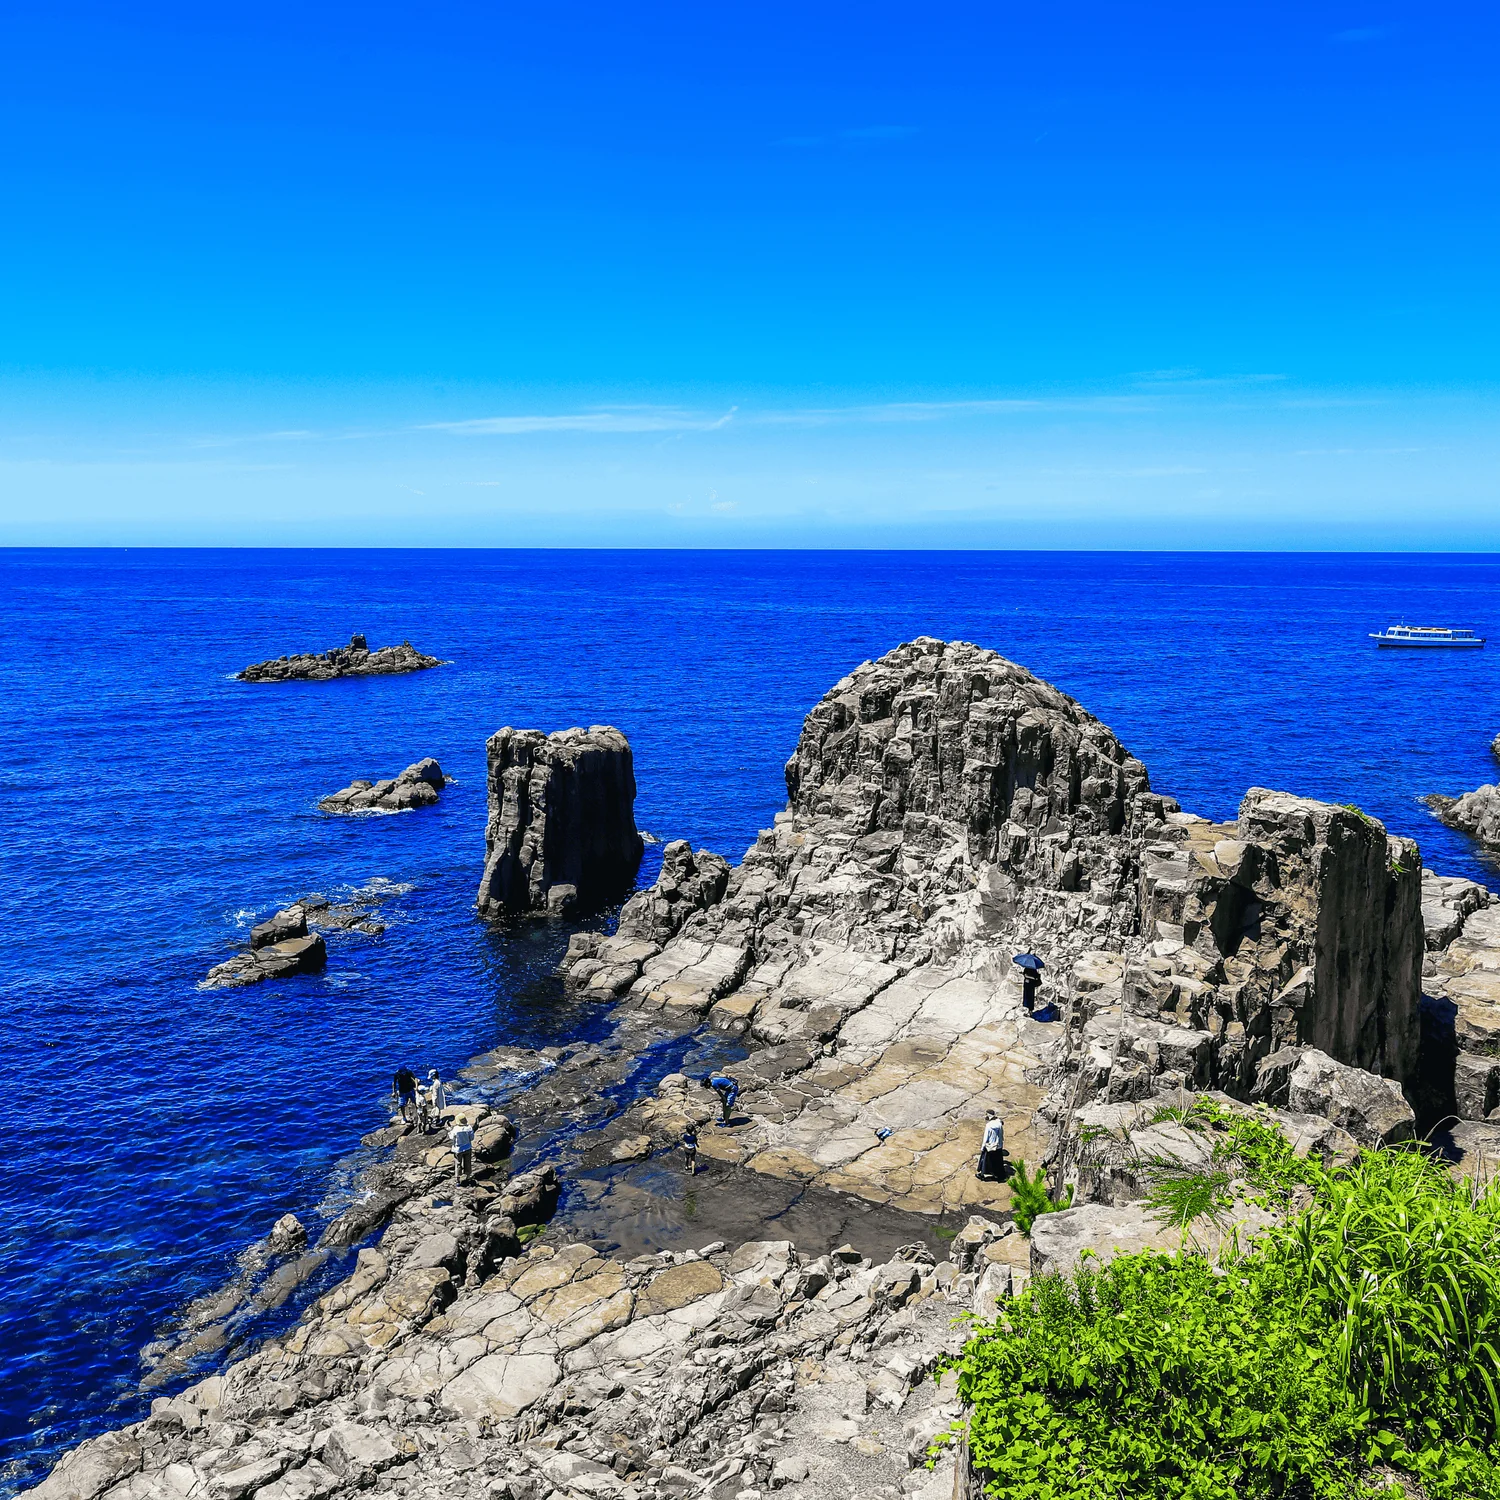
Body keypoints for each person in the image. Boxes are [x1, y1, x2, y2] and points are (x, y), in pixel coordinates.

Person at [977, 1111, 1005, 1180]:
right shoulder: (999, 1124)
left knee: (985, 1161)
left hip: (990, 1146)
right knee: (998, 1162)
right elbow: (1001, 1135)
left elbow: (986, 1137)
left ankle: (982, 1175)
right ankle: (999, 1176)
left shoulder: (989, 1125)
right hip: (998, 1146)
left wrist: (983, 1147)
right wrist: (1000, 1144)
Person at [450, 1116, 475, 1183]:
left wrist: (450, 1131)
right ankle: (468, 1177)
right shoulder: (469, 1128)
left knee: (458, 1164)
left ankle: (458, 1180)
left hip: (458, 1149)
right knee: (468, 1162)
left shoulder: (456, 1129)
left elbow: (451, 1137)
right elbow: (472, 1138)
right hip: (467, 1148)